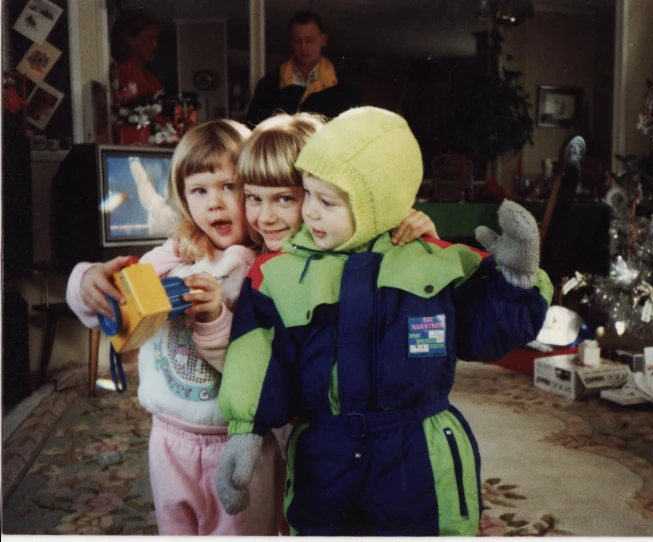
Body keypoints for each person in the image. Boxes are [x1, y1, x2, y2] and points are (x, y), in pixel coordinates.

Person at [214, 106, 553, 535]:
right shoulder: (277, 274)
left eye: (325, 201)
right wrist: (245, 430)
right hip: (327, 449)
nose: (311, 213)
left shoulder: (432, 260)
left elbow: (486, 330)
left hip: (417, 450)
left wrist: (517, 280)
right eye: (308, 196)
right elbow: (256, 356)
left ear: (377, 206)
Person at [65, 120, 280, 536]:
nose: (214, 204)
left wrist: (216, 317)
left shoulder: (263, 269)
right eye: (200, 190)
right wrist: (86, 282)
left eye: (229, 187)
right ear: (183, 198)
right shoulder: (170, 256)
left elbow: (258, 366)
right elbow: (110, 307)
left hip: (237, 442)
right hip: (168, 437)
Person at [245, 11, 359, 126]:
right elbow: (253, 131)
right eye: (297, 41)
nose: (303, 47)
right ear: (290, 42)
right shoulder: (268, 85)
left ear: (323, 40)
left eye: (309, 40)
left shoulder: (345, 88)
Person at [109, 7, 163, 104]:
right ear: (131, 39)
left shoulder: (153, 80)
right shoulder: (121, 72)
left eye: (155, 40)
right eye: (150, 39)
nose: (155, 45)